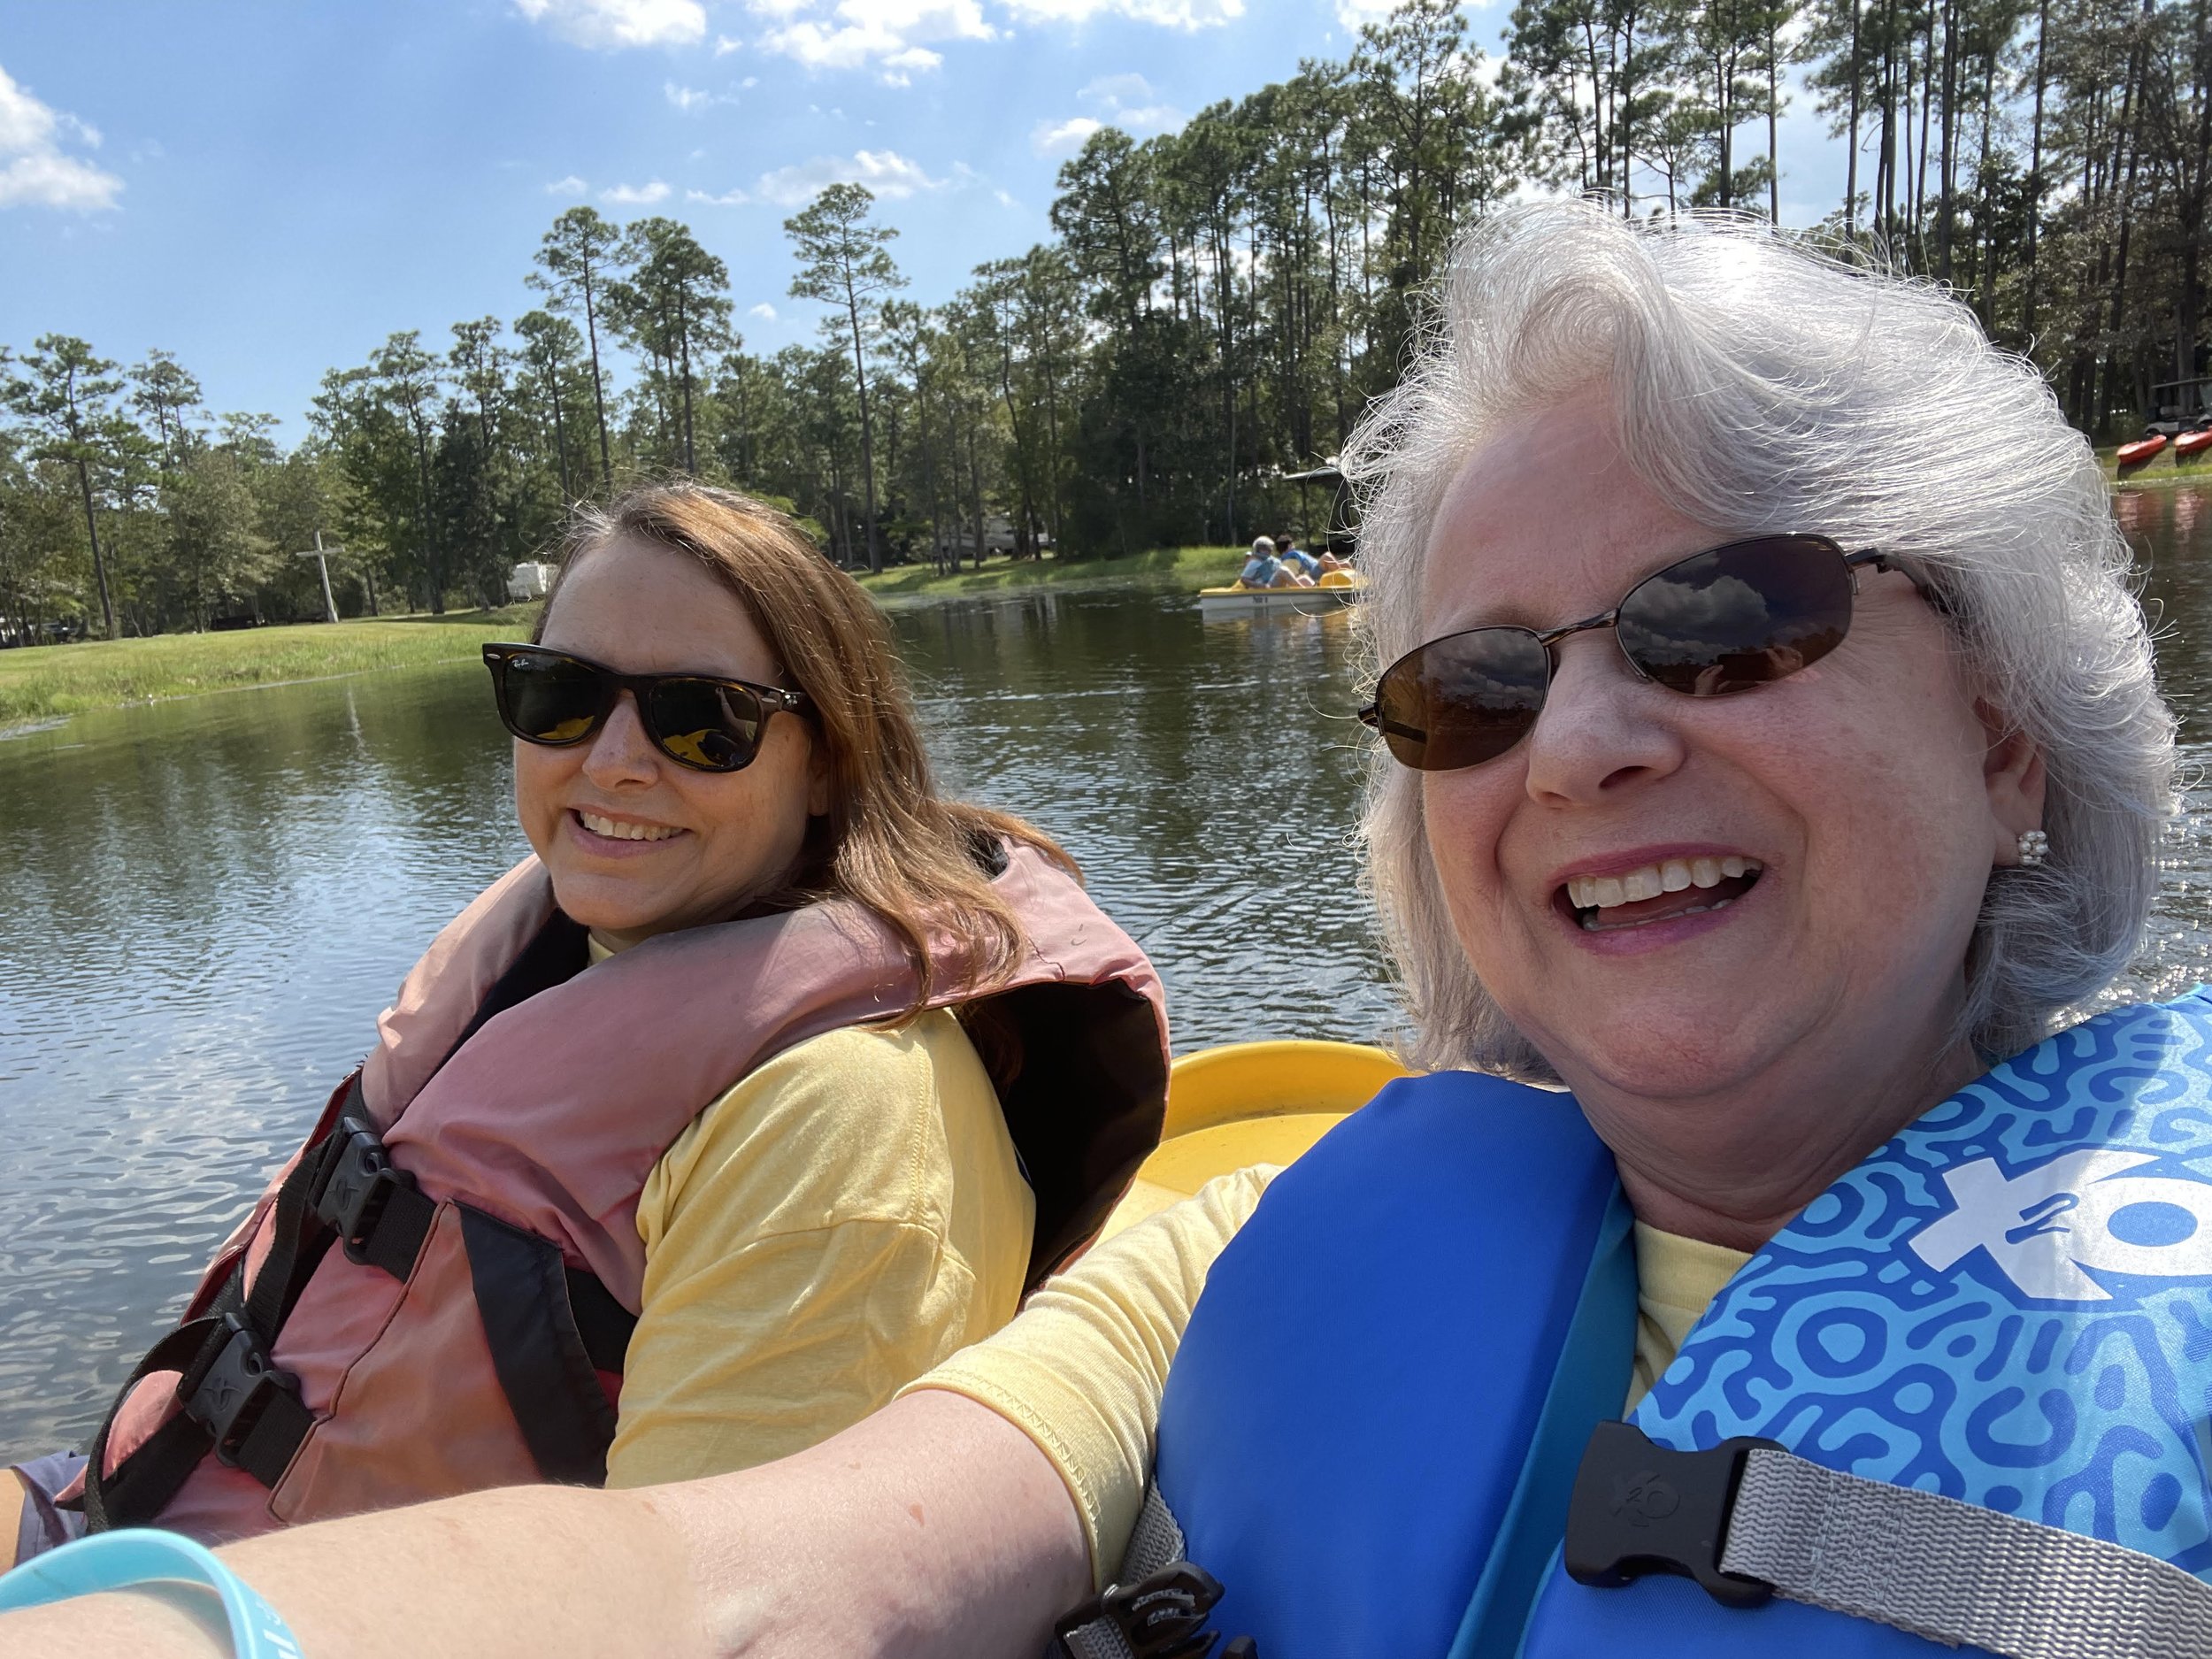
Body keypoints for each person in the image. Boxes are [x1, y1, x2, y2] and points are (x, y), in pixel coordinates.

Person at [5, 204, 2200, 1658]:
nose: (1586, 744)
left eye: (1728, 620)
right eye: (1480, 683)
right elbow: (744, 1582)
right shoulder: (1248, 1229)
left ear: (2007, 728)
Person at [2, 482, 1168, 1564]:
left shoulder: (847, 1121)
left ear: (829, 763)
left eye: (702, 721)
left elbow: (699, 1613)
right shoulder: (562, 947)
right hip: (132, 1515)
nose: (610, 765)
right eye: (559, 696)